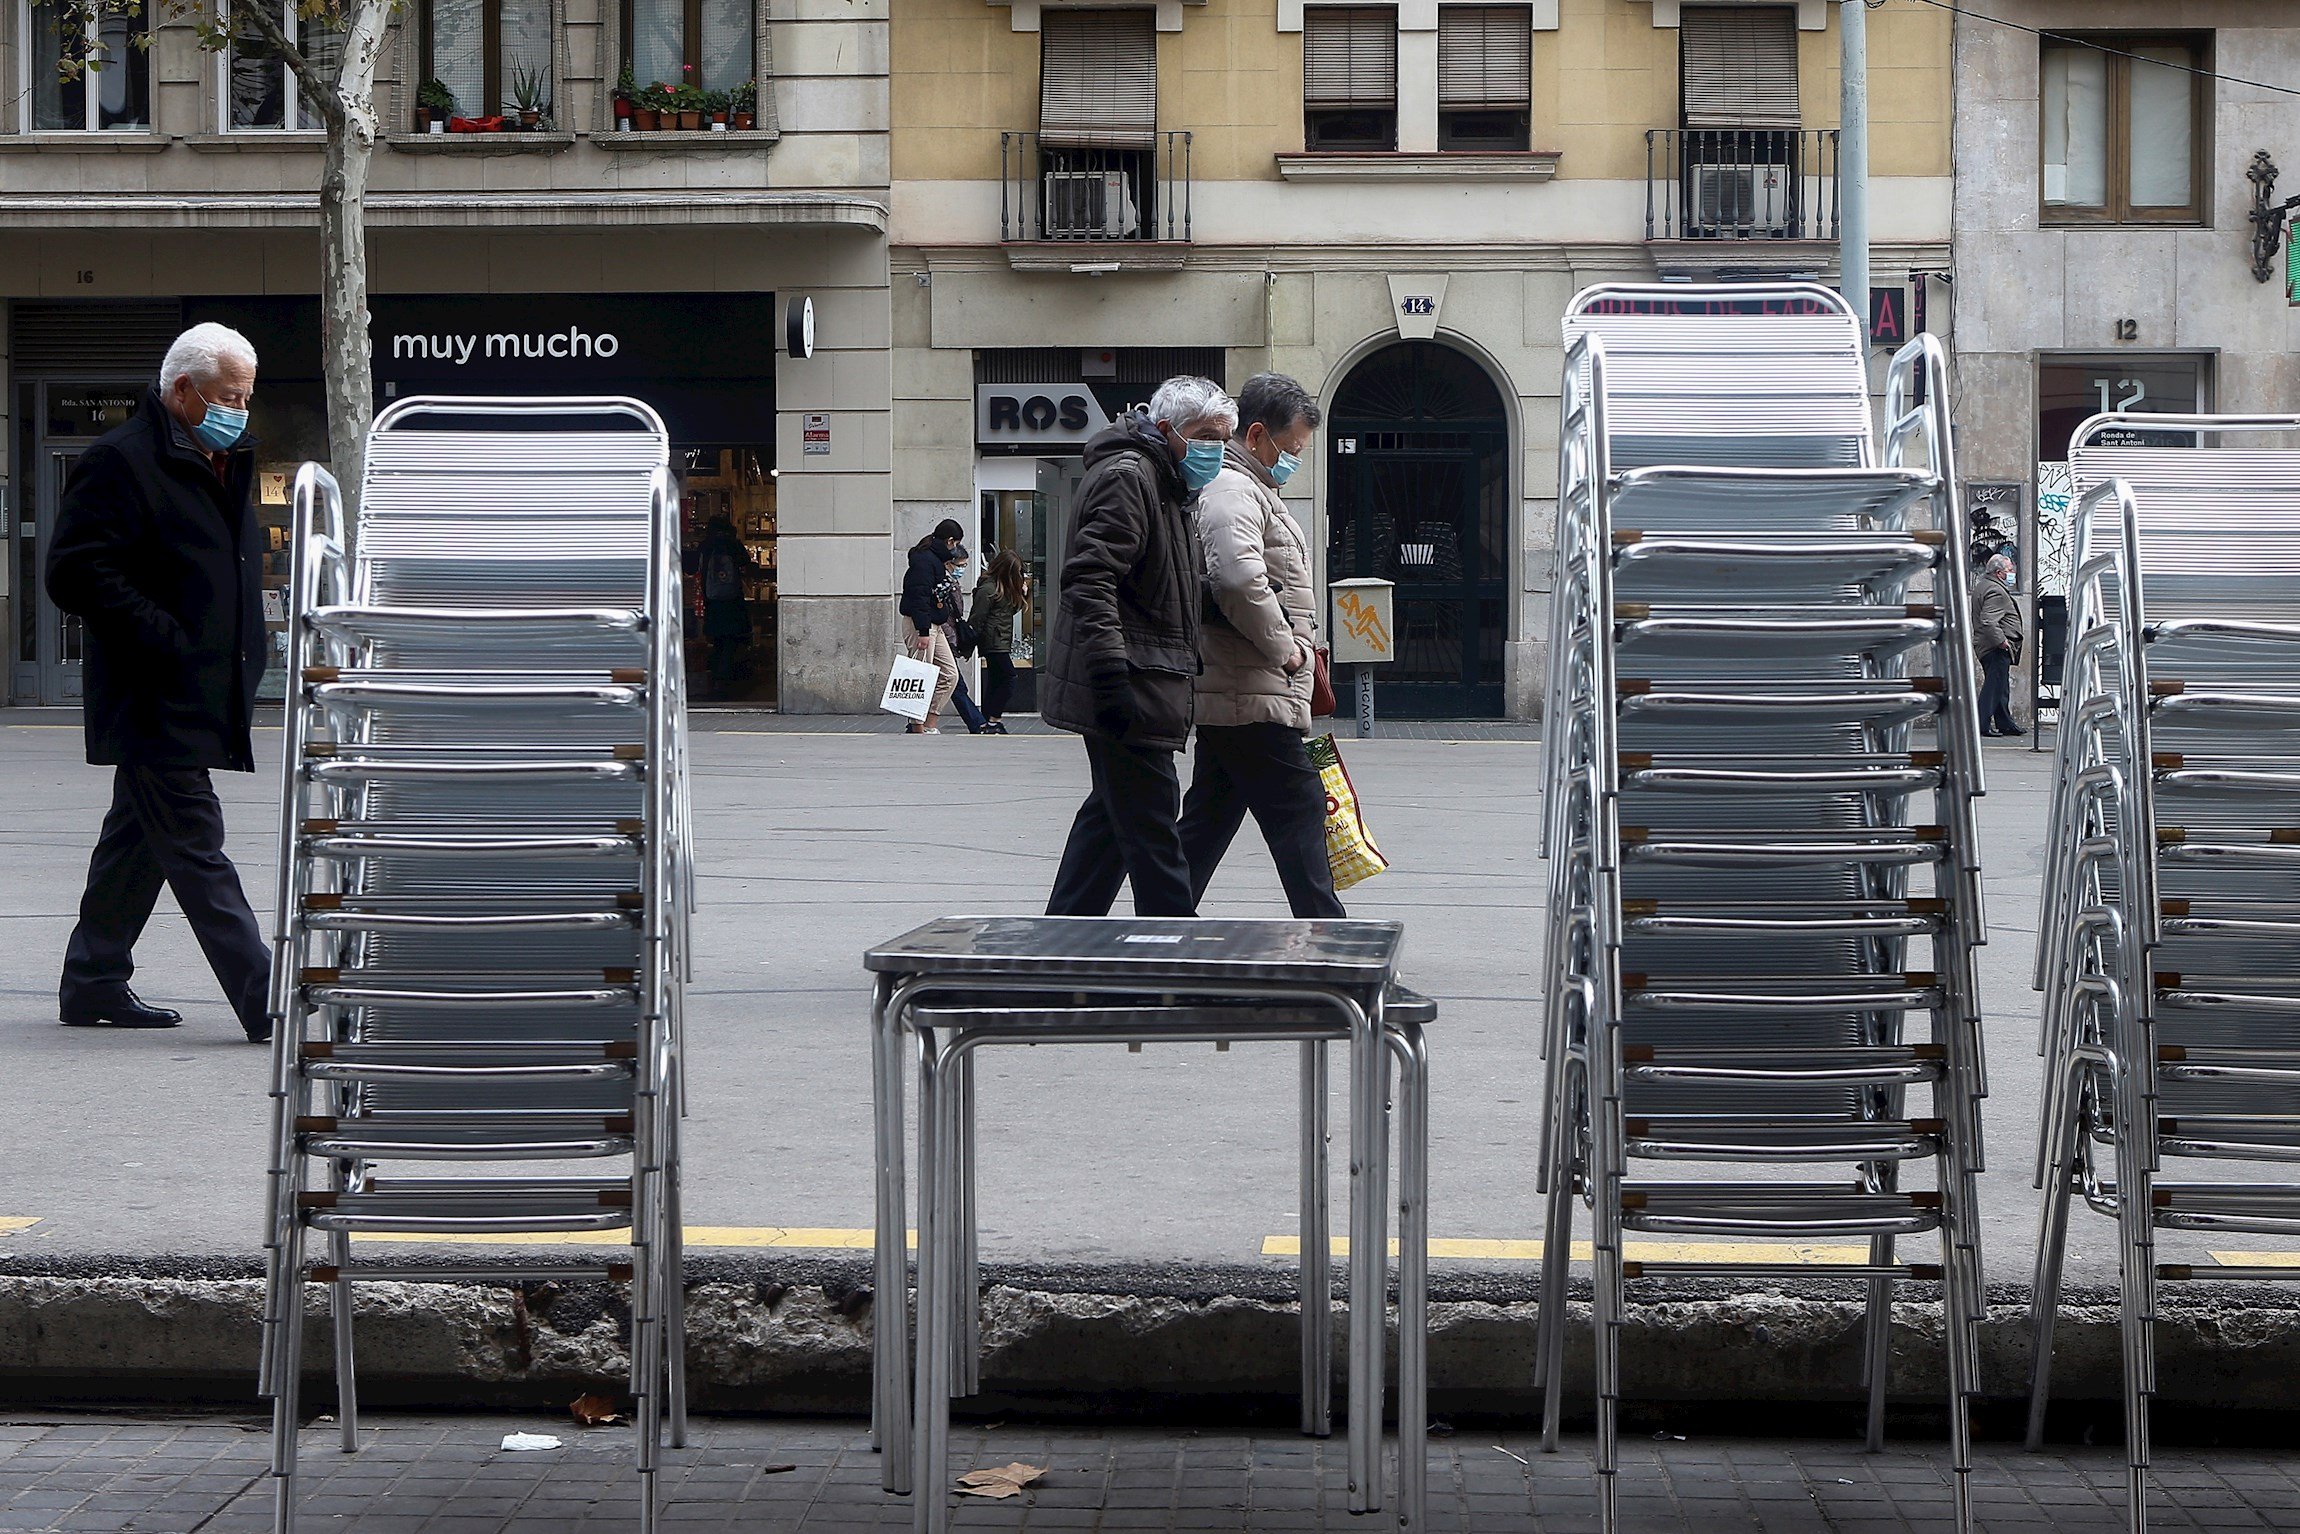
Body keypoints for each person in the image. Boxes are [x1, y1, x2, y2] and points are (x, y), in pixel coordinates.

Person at [45, 322, 273, 1042]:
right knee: (196, 843)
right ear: (183, 391)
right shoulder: (121, 460)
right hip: (153, 693)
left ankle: (94, 979)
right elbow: (74, 572)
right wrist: (166, 639)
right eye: (230, 396)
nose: (241, 409)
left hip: (199, 685)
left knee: (137, 838)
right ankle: (267, 999)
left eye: (246, 396)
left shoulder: (221, 456)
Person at [1043, 376, 1233, 917]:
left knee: (1110, 821)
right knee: (1153, 828)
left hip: (1143, 677)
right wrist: (1109, 677)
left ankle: (1065, 940)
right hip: (1130, 681)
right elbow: (1090, 579)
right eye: (1205, 436)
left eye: (1222, 438)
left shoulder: (1164, 481)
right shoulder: (1132, 477)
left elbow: (1159, 580)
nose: (1214, 449)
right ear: (1167, 428)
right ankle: (1176, 947)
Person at [1177, 373, 1344, 918]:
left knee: (1207, 822)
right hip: (1252, 689)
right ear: (1255, 435)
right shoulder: (1232, 490)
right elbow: (1236, 578)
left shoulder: (1252, 490)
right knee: (1301, 812)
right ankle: (1337, 951)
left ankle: (1161, 924)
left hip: (1241, 691)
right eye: (1291, 448)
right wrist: (1287, 649)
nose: (1295, 460)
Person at [899, 519, 965, 733]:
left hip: (933, 623)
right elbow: (919, 597)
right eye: (955, 544)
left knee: (949, 674)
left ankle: (929, 722)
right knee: (921, 676)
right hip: (922, 625)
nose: (955, 549)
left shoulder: (933, 560)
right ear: (950, 541)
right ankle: (917, 725)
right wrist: (924, 631)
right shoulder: (924, 561)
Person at [687, 514, 757, 699]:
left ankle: (717, 679)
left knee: (718, 641)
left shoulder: (705, 545)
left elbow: (692, 567)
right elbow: (746, 563)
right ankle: (726, 680)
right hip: (732, 601)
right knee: (731, 641)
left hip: (712, 602)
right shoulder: (733, 544)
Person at [969, 549, 1028, 734]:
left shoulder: (1003, 587)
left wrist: (1023, 593)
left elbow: (1011, 610)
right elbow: (977, 618)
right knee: (1008, 677)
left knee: (995, 680)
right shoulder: (988, 589)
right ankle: (994, 718)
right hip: (993, 641)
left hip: (999, 640)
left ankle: (988, 720)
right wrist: (971, 642)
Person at [1973, 552, 2022, 737]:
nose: (2012, 572)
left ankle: (2005, 723)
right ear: (1999, 572)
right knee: (1993, 687)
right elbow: (1988, 621)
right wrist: (2001, 641)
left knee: (2001, 685)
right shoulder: (1995, 590)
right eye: (2009, 570)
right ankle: (1981, 724)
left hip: (1989, 646)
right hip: (1994, 647)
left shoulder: (1984, 586)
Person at [938, 552, 988, 734]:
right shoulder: (944, 584)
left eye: (965, 566)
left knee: (947, 682)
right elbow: (945, 616)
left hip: (946, 638)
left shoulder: (951, 583)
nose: (962, 570)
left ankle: (915, 721)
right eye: (960, 565)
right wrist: (951, 639)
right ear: (949, 563)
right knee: (955, 682)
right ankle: (977, 723)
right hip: (943, 639)